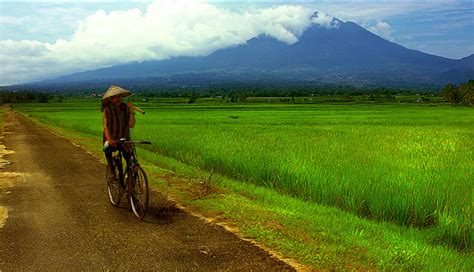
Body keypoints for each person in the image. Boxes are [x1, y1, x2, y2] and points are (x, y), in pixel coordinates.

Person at [101, 85, 136, 182]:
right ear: (110, 99)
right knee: (107, 150)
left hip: (124, 138)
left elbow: (131, 125)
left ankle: (130, 182)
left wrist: (131, 112)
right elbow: (106, 127)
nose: (118, 99)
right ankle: (112, 170)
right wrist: (109, 139)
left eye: (119, 96)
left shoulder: (126, 108)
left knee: (131, 161)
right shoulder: (107, 110)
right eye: (115, 97)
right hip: (112, 138)